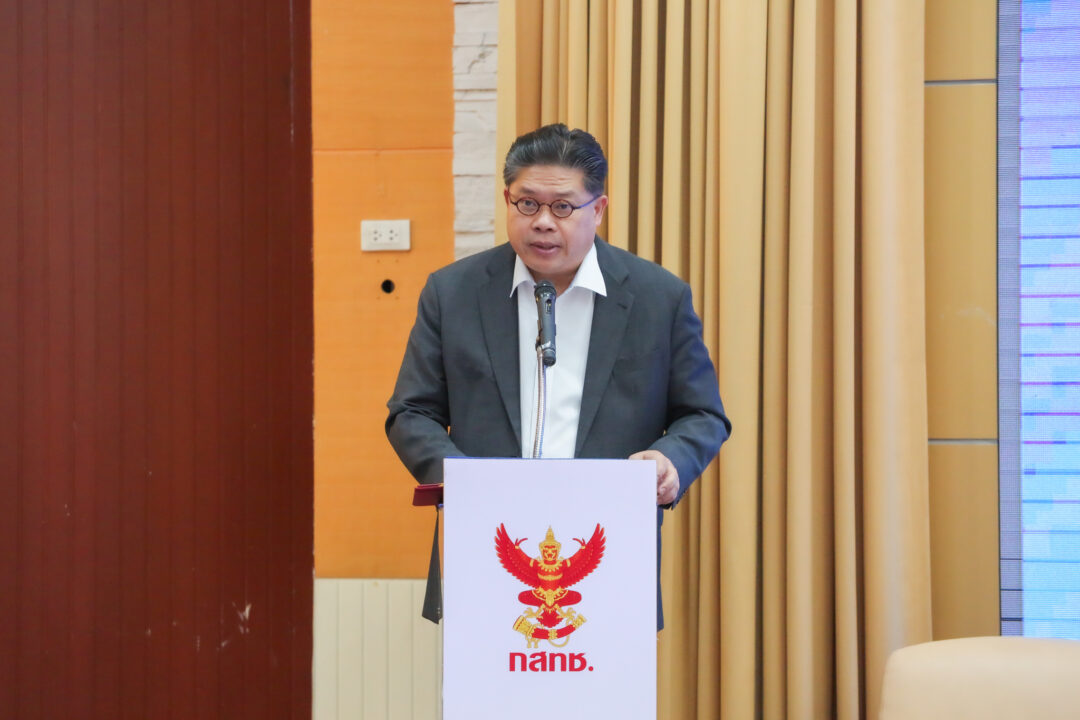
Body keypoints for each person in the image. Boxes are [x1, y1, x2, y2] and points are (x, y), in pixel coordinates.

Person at [386, 123, 731, 626]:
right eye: (528, 204)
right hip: (487, 545)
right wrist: (465, 482)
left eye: (563, 207)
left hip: (608, 550)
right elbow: (410, 411)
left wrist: (670, 460)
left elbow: (702, 414)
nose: (543, 222)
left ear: (599, 209)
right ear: (507, 200)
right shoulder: (453, 293)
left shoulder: (659, 298)